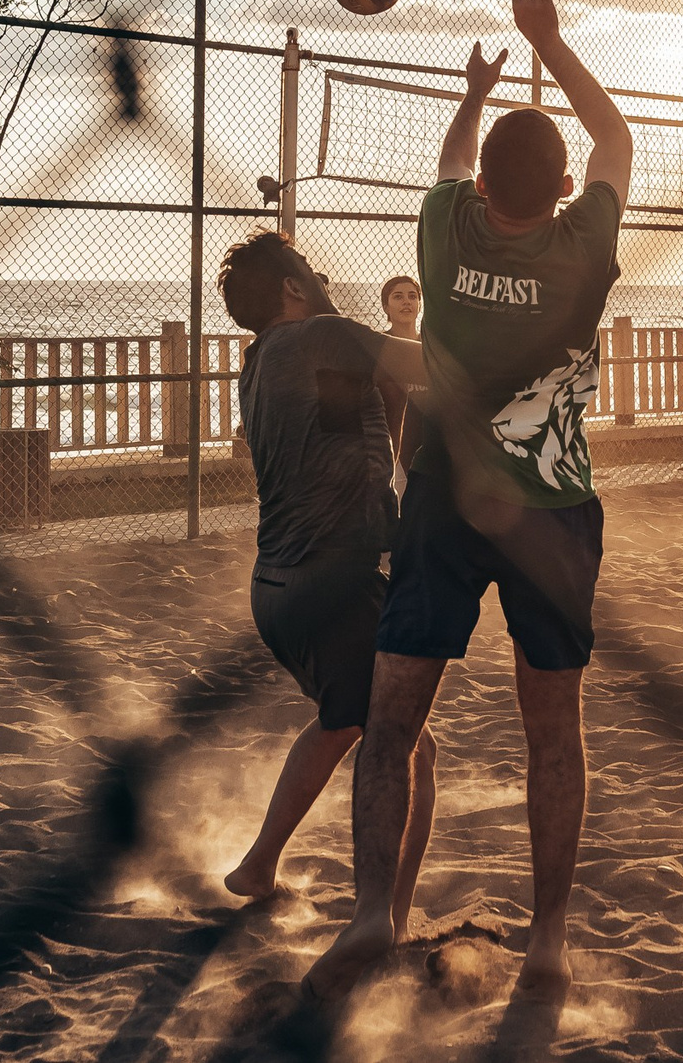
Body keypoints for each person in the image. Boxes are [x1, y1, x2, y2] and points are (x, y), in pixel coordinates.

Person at [305, 0, 631, 1001]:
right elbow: (614, 139)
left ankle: (370, 912)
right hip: (551, 502)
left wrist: (476, 91)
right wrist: (551, 36)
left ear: (486, 191)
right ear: (562, 191)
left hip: (444, 498)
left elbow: (450, 161)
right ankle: (546, 939)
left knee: (392, 716)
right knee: (553, 732)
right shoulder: (584, 246)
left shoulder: (445, 233)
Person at [213, 229, 439, 920]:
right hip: (331, 579)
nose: (323, 276)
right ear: (291, 287)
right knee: (401, 742)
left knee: (361, 724)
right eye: (310, 269)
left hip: (277, 588)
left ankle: (264, 866)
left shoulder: (258, 362)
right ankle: (388, 915)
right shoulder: (321, 334)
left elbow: (351, 421)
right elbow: (424, 361)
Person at [376, 275, 424, 489]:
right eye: (398, 297)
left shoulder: (432, 347)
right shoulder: (378, 347)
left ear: (419, 304)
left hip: (429, 450)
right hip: (392, 450)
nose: (406, 301)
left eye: (412, 296)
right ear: (386, 306)